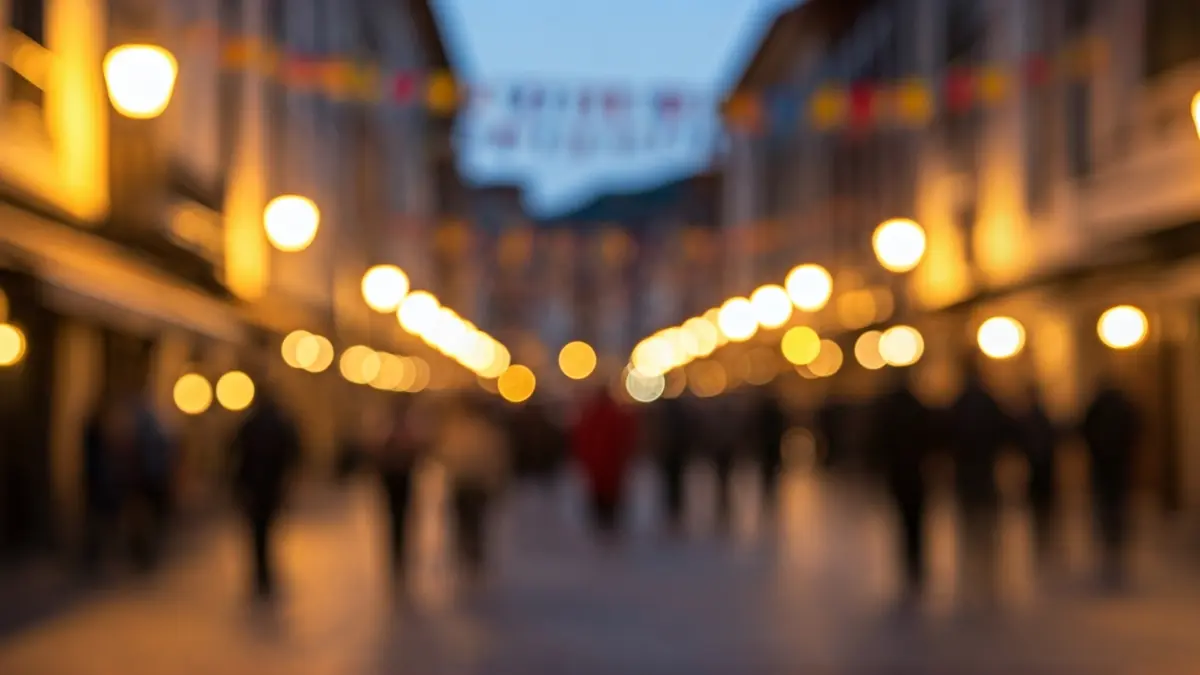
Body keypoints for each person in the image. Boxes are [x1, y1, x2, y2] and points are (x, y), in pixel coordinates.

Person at [946, 362, 1018, 610]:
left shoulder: (958, 403)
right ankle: (988, 571)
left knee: (969, 524)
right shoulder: (990, 402)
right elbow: (1008, 431)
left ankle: (971, 570)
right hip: (985, 473)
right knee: (987, 524)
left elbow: (945, 436)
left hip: (966, 474)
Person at [870, 369, 936, 609]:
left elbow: (878, 442)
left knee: (904, 521)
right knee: (916, 520)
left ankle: (909, 562)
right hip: (916, 473)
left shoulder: (888, 409)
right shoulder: (918, 407)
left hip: (899, 474)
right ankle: (916, 563)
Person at [230, 388, 300, 601]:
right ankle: (265, 573)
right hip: (272, 485)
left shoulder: (249, 422)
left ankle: (260, 573)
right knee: (268, 529)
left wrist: (237, 483)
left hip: (253, 486)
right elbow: (294, 451)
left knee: (256, 532)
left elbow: (233, 450)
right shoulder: (280, 423)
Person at [437, 395, 508, 582]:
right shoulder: (477, 430)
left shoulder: (461, 430)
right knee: (469, 521)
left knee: (470, 521)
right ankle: (470, 552)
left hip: (469, 483)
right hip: (468, 482)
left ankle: (471, 552)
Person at [1081, 376, 1140, 590]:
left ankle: (1109, 540)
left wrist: (1096, 451)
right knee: (1117, 504)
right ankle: (1116, 540)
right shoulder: (1122, 406)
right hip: (1119, 466)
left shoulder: (1097, 406)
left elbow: (1084, 429)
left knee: (1106, 505)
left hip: (1103, 467)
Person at [572, 387, 638, 542]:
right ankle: (607, 524)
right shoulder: (613, 414)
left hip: (601, 465)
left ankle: (604, 525)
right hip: (608, 465)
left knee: (602, 495)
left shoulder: (592, 414)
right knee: (608, 496)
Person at [375, 396, 424, 588]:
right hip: (393, 480)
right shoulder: (388, 429)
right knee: (394, 518)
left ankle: (401, 555)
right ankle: (397, 556)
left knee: (401, 518)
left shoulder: (405, 428)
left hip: (402, 479)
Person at [1019, 383, 1059, 568]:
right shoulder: (1038, 417)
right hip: (1039, 468)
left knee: (1042, 503)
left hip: (1040, 468)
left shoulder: (1035, 418)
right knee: (1041, 503)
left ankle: (1044, 535)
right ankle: (1043, 534)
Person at [658, 396, 691, 534]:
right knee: (675, 483)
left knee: (672, 483)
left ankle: (672, 509)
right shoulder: (681, 416)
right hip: (676, 454)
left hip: (673, 454)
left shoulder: (665, 418)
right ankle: (674, 509)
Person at [753, 387, 787, 512]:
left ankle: (768, 494)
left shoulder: (761, 414)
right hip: (771, 448)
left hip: (767, 449)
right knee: (771, 473)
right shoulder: (776, 414)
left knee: (767, 473)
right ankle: (770, 494)